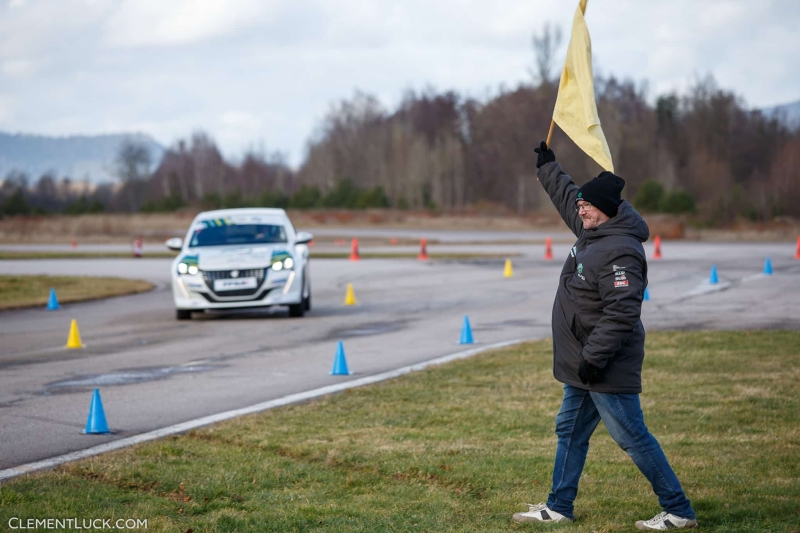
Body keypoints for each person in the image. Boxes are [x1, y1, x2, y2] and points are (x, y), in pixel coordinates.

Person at [512, 141, 698, 530]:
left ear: (607, 210)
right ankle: (559, 506)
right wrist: (548, 167)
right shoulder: (595, 229)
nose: (580, 209)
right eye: (581, 205)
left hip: (603, 364)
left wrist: (594, 357)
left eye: (588, 205)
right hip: (586, 362)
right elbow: (568, 197)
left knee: (632, 437)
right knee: (569, 429)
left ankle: (679, 511)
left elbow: (623, 312)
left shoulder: (620, 251)